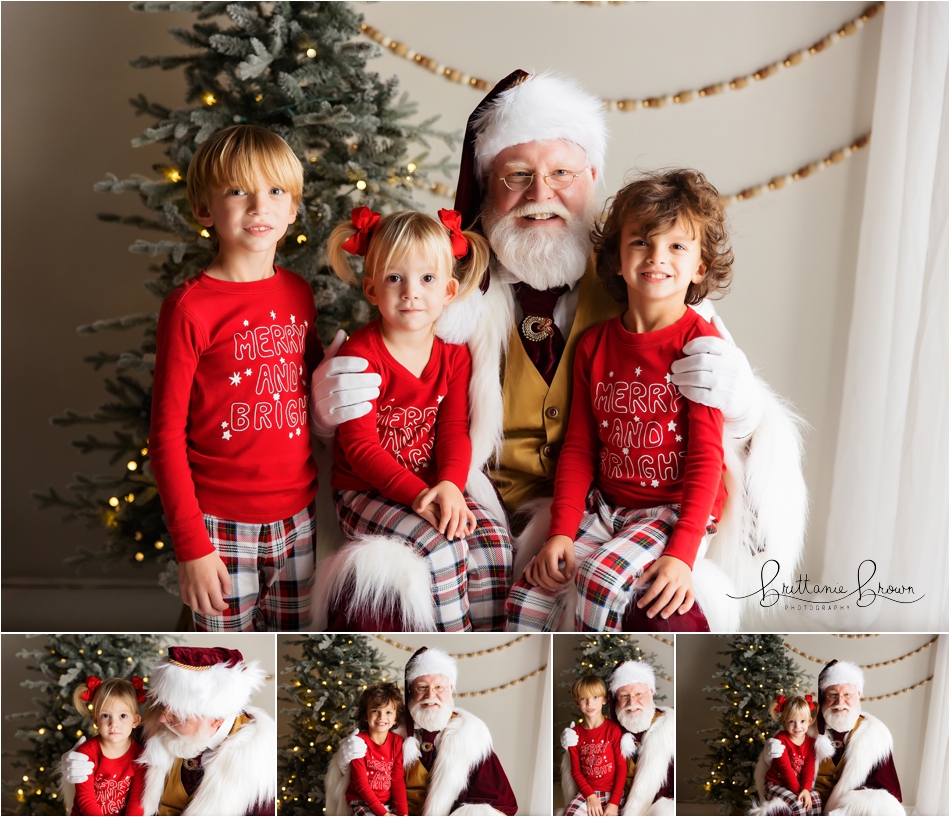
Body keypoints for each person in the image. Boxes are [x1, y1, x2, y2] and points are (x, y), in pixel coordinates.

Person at [310, 71, 807, 633]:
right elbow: (394, 388)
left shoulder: (652, 286)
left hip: (619, 519)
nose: (541, 195)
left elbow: (726, 430)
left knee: (663, 614)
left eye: (562, 174)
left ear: (591, 178)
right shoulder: (444, 291)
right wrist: (330, 413)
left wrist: (741, 399)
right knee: (375, 599)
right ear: (486, 189)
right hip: (479, 514)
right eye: (517, 176)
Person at [506, 169, 729, 632]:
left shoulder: (699, 345)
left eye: (676, 247)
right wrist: (562, 530)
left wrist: (682, 554)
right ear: (617, 257)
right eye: (641, 243)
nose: (657, 258)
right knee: (529, 593)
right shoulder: (595, 345)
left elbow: (709, 456)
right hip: (607, 505)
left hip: (673, 508)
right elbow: (580, 448)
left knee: (600, 580)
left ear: (699, 267)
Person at [150, 124, 322, 631]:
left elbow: (316, 392)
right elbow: (164, 437)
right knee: (227, 658)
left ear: (292, 209)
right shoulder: (188, 308)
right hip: (220, 526)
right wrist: (191, 546)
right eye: (237, 191)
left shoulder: (297, 293)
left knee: (287, 647)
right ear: (205, 209)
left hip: (300, 520)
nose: (258, 206)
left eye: (274, 191)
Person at [322, 208, 512, 631]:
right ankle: (452, 638)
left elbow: (452, 430)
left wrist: (449, 484)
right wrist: (418, 496)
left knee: (495, 544)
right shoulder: (362, 355)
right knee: (442, 549)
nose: (410, 292)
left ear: (448, 290)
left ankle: (486, 634)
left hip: (431, 487)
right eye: (395, 278)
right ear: (371, 289)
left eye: (426, 279)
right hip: (365, 492)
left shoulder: (454, 354)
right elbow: (360, 450)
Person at [62, 646, 277, 816]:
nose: (162, 718)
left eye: (176, 714)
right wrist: (73, 766)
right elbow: (108, 764)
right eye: (163, 706)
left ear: (215, 720)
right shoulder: (152, 728)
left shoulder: (256, 766)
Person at [326, 647, 518, 816]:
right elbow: (361, 785)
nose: (430, 695)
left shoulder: (471, 739)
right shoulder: (388, 729)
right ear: (410, 691)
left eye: (439, 687)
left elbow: (499, 803)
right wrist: (344, 765)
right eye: (422, 687)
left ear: (450, 689)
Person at [755, 660, 903, 815]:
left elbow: (883, 794)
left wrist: (845, 812)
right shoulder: (805, 728)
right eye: (833, 695)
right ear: (824, 697)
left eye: (847, 695)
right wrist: (769, 756)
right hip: (804, 804)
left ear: (858, 695)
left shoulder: (875, 735)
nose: (840, 702)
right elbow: (783, 768)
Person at [561, 661, 673, 816]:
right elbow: (577, 767)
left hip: (648, 806)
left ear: (651, 691)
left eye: (638, 694)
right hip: (594, 796)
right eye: (624, 696)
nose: (632, 703)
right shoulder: (613, 726)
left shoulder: (669, 727)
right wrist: (569, 746)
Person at [69, 677, 146, 816]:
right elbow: (86, 800)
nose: (113, 724)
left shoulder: (140, 756)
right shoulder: (86, 754)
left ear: (135, 720)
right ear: (96, 720)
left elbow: (137, 801)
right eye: (105, 716)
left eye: (123, 716)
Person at [563, 675, 626, 816]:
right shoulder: (574, 735)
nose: (589, 703)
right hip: (587, 793)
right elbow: (576, 771)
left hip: (613, 794)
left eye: (595, 697)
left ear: (604, 700)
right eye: (583, 698)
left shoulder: (613, 730)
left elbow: (622, 768)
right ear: (577, 703)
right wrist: (590, 797)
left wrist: (614, 803)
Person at [345, 682, 409, 816]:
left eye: (388, 712)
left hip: (387, 803)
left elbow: (397, 781)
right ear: (365, 716)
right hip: (361, 802)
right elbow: (361, 785)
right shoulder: (359, 742)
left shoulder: (397, 743)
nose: (382, 717)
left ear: (396, 718)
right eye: (375, 711)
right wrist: (383, 814)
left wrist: (403, 814)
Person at [756, 695, 822, 816]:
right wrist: (799, 792)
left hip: (796, 785)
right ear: (784, 722)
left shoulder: (811, 742)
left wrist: (806, 790)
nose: (797, 727)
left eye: (802, 721)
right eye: (792, 721)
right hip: (775, 784)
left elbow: (809, 768)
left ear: (809, 721)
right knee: (798, 803)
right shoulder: (780, 740)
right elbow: (786, 769)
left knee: (816, 798)